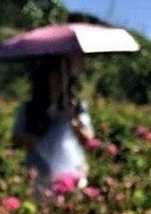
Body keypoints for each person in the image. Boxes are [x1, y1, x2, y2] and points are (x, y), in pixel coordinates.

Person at [12, 55, 94, 194]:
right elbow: (16, 138)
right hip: (40, 172)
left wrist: (73, 119)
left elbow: (88, 139)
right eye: (54, 74)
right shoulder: (29, 108)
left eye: (63, 74)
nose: (59, 80)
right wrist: (36, 137)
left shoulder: (77, 107)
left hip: (71, 172)